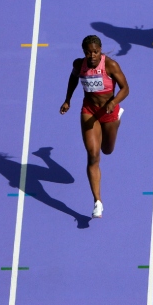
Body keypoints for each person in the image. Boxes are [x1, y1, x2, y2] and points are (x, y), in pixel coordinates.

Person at [59, 35, 128, 219]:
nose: (92, 56)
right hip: (89, 110)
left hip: (109, 112)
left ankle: (117, 120)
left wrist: (113, 102)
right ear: (84, 52)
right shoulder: (78, 64)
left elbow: (125, 88)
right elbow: (73, 78)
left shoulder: (110, 65)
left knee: (107, 150)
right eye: (88, 52)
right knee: (93, 156)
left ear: (100, 50)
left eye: (95, 52)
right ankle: (97, 201)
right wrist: (67, 100)